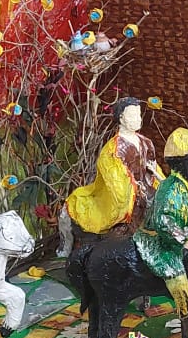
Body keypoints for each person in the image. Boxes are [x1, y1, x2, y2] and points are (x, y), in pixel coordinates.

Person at [133, 128, 188, 338]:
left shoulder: (186, 187)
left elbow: (184, 214)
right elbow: (164, 221)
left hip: (171, 238)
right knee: (177, 275)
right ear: (182, 163)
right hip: (156, 241)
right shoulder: (171, 188)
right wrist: (185, 240)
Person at [67, 98, 163, 236]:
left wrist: (163, 186)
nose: (138, 119)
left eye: (138, 114)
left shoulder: (147, 142)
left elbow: (154, 169)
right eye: (132, 115)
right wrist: (136, 192)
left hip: (148, 191)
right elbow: (117, 184)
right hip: (128, 197)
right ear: (121, 118)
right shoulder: (112, 150)